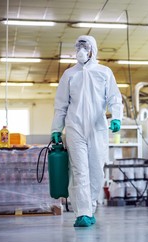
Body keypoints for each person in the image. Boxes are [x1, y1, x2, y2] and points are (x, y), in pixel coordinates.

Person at [51, 35, 123, 227]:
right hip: (75, 127)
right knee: (79, 170)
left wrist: (116, 117)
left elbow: (114, 97)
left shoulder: (104, 72)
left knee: (96, 170)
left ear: (93, 50)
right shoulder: (69, 75)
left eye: (86, 47)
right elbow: (60, 104)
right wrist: (57, 128)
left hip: (98, 127)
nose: (81, 51)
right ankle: (82, 213)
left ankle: (90, 207)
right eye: (79, 47)